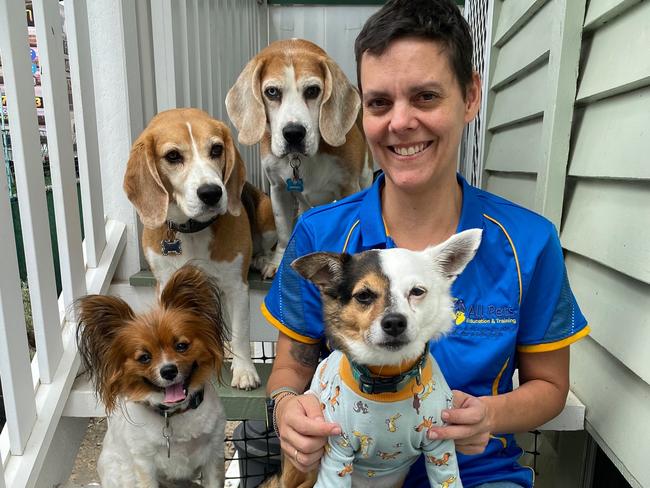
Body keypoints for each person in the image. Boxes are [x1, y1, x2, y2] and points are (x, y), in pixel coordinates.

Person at [261, 1, 590, 486]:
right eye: (379, 103)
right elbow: (291, 364)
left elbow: (550, 387)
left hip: (474, 471)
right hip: (348, 469)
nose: (400, 123)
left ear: (471, 96)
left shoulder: (528, 242)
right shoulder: (321, 234)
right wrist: (287, 410)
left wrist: (490, 416)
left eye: (426, 97)